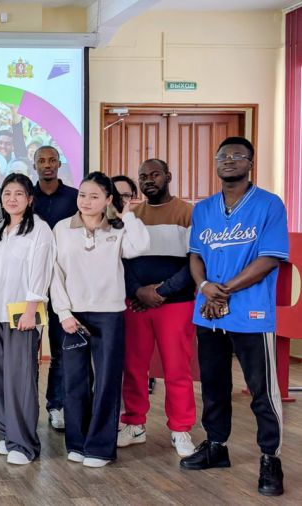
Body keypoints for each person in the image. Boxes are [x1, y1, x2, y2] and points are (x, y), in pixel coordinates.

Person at [180, 137, 288, 497]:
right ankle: (216, 446)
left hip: (250, 312)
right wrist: (204, 286)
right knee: (213, 387)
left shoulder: (269, 204)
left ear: (250, 163)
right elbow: (196, 255)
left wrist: (222, 290)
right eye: (222, 156)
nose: (228, 160)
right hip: (208, 313)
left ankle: (270, 458)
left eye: (237, 155)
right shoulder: (203, 209)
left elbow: (269, 259)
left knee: (261, 390)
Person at [50, 171, 150, 468]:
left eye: (94, 196)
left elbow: (140, 247)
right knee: (75, 381)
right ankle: (77, 443)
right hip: (73, 315)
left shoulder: (118, 229)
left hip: (109, 314)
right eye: (82, 195)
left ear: (108, 199)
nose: (86, 201)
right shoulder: (62, 228)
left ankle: (100, 448)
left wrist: (128, 215)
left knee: (107, 382)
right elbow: (54, 273)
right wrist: (64, 313)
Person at [117, 160, 197, 458]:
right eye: (143, 177)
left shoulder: (187, 212)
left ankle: (181, 428)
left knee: (177, 368)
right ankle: (134, 423)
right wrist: (138, 291)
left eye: (155, 174)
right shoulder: (132, 215)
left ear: (168, 176)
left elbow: (195, 261)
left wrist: (161, 291)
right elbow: (122, 261)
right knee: (133, 367)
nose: (148, 180)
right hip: (136, 304)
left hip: (175, 303)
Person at [0, 173, 55, 465]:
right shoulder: (1, 229)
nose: (12, 199)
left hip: (21, 314)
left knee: (20, 377)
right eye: (8, 193)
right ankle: (6, 432)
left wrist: (30, 309)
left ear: (30, 199)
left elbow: (41, 271)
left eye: (19, 194)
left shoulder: (39, 229)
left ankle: (24, 444)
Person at [31, 145, 78, 432]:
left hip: (64, 282)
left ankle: (56, 405)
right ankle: (25, 408)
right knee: (27, 350)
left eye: (52, 160)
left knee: (62, 349)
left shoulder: (75, 197)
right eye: (41, 161)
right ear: (34, 165)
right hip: (31, 284)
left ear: (59, 164)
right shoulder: (27, 196)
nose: (47, 164)